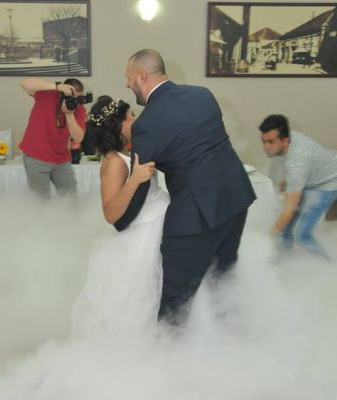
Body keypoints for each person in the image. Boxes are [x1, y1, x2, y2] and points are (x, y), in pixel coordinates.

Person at [115, 49, 256, 324]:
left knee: (174, 297)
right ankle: (230, 335)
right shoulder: (202, 95)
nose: (126, 83)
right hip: (236, 197)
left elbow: (141, 184)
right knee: (223, 281)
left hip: (197, 213)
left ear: (141, 76)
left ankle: (169, 348)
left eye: (128, 77)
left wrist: (122, 223)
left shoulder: (146, 124)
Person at [70, 95, 170, 335]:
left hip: (157, 221)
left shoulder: (129, 150)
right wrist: (135, 179)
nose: (135, 119)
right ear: (118, 126)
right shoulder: (114, 161)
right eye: (129, 117)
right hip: (144, 233)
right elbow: (110, 212)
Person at [260, 114, 337, 257]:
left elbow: (289, 211)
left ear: (285, 141)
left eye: (270, 142)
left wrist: (269, 236)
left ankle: (325, 264)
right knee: (284, 227)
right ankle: (285, 259)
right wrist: (290, 182)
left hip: (328, 182)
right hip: (316, 172)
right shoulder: (287, 137)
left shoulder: (297, 164)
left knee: (301, 235)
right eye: (263, 141)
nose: (265, 147)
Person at [19, 77, 86, 198]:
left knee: (71, 199)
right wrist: (56, 86)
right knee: (40, 202)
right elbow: (25, 83)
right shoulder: (48, 94)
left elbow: (78, 137)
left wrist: (69, 114)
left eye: (78, 98)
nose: (75, 101)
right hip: (36, 156)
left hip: (62, 160)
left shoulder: (79, 108)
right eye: (72, 97)